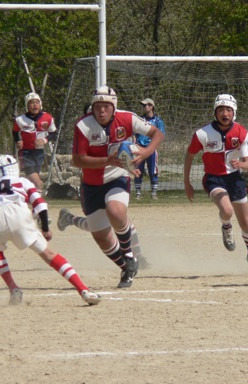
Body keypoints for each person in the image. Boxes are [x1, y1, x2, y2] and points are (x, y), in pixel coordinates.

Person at [0, 154, 100, 306]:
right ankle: (83, 290)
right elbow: (40, 204)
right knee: (48, 254)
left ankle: (13, 289)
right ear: (15, 168)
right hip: (17, 214)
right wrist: (46, 229)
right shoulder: (22, 182)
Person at [71, 85, 164, 288]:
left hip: (117, 177)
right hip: (91, 185)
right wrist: (108, 160)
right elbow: (78, 160)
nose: (101, 111)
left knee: (116, 210)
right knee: (102, 238)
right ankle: (126, 267)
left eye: (105, 106)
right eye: (97, 107)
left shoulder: (127, 118)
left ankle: (129, 253)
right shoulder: (83, 126)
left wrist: (145, 153)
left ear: (113, 107)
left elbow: (157, 133)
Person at [183, 94, 248, 275]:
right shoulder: (202, 134)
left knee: (247, 223)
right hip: (213, 179)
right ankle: (226, 226)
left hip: (235, 179)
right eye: (220, 110)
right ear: (215, 112)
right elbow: (189, 156)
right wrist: (186, 182)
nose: (224, 113)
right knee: (227, 210)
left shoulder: (241, 132)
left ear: (234, 112)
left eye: (228, 110)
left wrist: (241, 164)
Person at [57, 208, 150, 269]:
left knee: (123, 221)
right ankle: (68, 218)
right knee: (96, 226)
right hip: (95, 189)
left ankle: (138, 256)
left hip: (110, 187)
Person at [13, 92, 58, 192]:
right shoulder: (20, 119)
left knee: (33, 179)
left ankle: (30, 197)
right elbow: (15, 131)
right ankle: (39, 201)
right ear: (27, 106)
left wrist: (44, 140)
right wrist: (18, 141)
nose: (35, 105)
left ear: (40, 104)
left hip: (39, 153)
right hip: (25, 153)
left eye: (37, 102)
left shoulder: (47, 117)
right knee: (37, 182)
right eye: (31, 103)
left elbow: (54, 132)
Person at [134, 98, 166, 200]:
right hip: (139, 148)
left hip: (151, 149)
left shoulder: (158, 121)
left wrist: (153, 146)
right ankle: (138, 193)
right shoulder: (140, 120)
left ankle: (153, 193)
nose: (144, 107)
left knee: (153, 170)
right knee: (138, 170)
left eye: (145, 105)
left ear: (151, 106)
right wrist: (135, 143)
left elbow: (161, 135)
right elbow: (134, 133)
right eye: (143, 106)